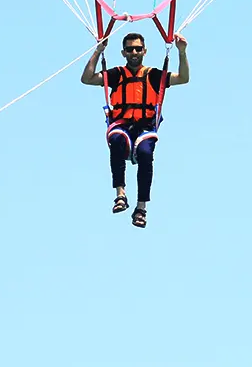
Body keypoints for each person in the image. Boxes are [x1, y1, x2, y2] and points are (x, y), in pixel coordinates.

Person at [80, 31, 189, 227]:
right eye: (130, 49)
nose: (134, 52)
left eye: (138, 49)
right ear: (123, 53)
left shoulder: (154, 75)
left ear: (144, 51)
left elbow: (183, 78)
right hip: (121, 126)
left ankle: (141, 208)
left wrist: (181, 52)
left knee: (146, 154)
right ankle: (120, 194)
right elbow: (87, 78)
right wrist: (98, 51)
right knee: (116, 141)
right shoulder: (117, 75)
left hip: (145, 128)